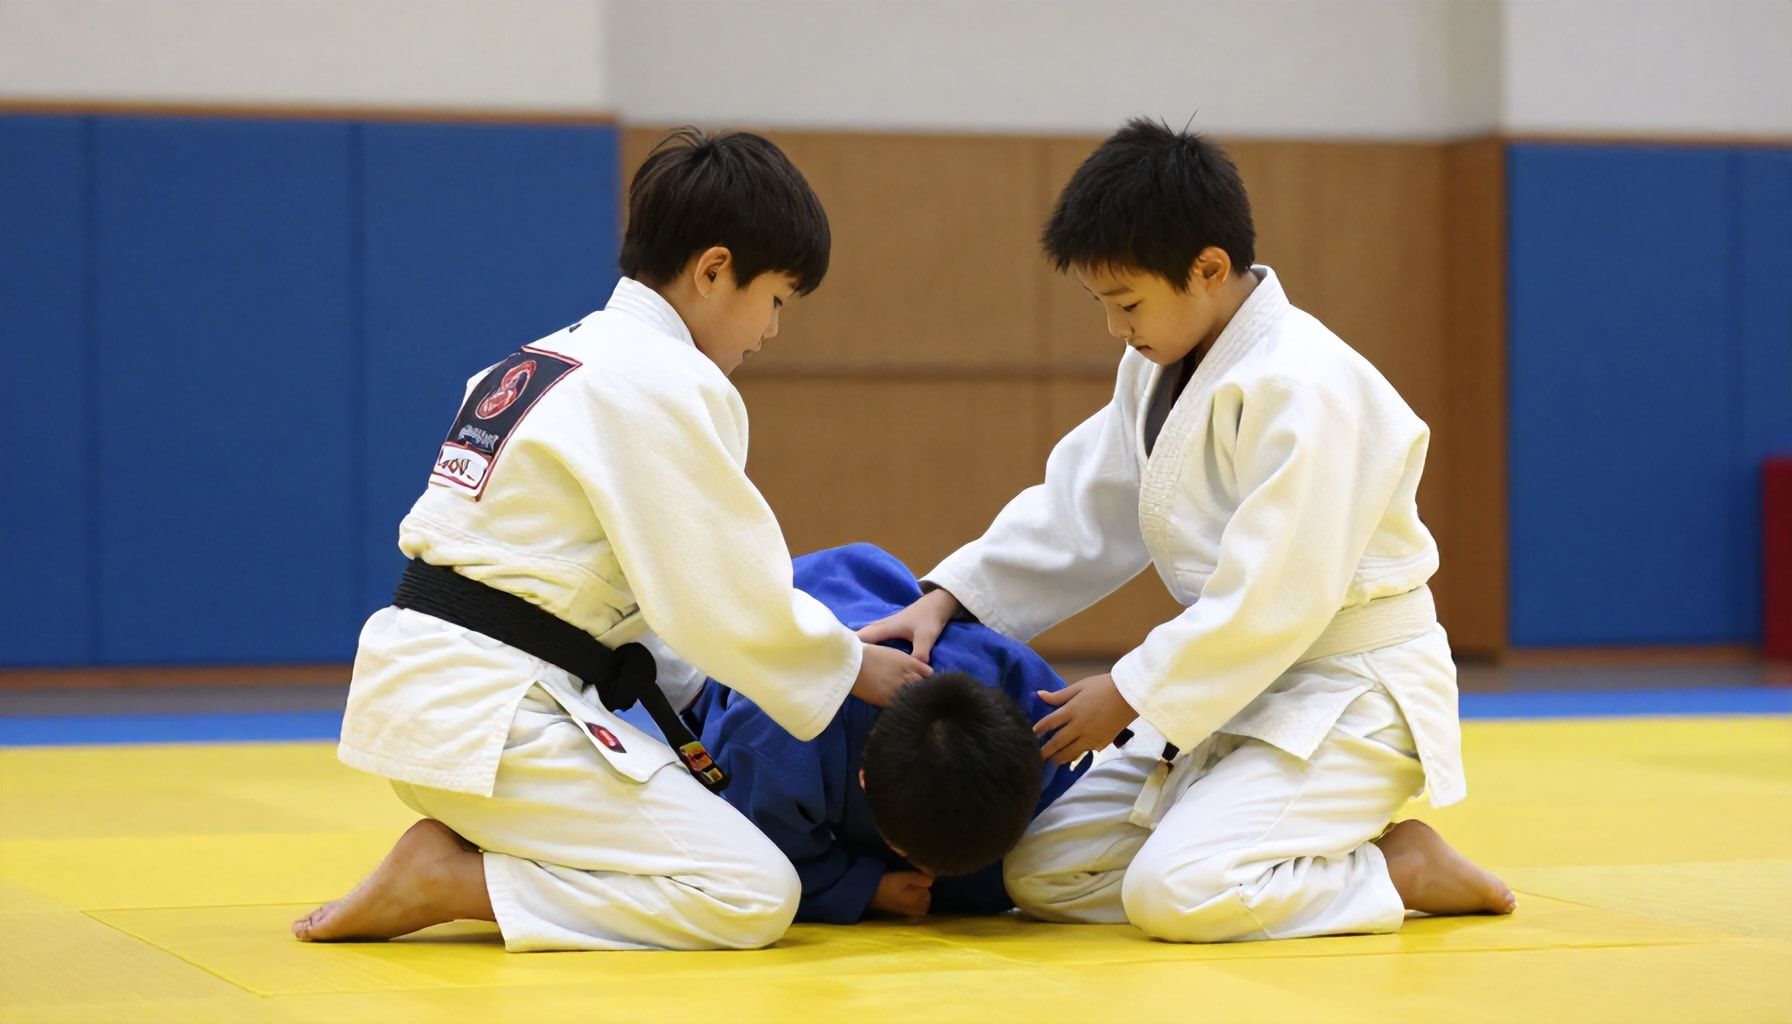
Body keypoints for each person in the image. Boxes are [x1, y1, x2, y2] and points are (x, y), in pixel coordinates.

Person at [861, 118, 1514, 944]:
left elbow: (1280, 594)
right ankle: (1266, 847)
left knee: (1179, 895)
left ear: (1207, 269)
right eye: (1102, 304)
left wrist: (1132, 690)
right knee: (1041, 870)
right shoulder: (1160, 367)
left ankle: (1394, 870)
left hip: (1348, 691)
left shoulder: (1304, 383)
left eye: (1126, 302)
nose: (1114, 329)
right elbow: (1081, 506)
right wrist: (947, 597)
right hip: (1234, 684)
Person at [293, 128, 930, 953]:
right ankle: (452, 880)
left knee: (704, 825)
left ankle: (476, 851)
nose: (771, 330)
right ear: (713, 270)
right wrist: (850, 664)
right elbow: (717, 594)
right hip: (498, 719)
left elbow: (631, 602)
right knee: (753, 892)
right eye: (774, 298)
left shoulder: (540, 361)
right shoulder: (662, 380)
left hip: (434, 700)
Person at [685, 543, 1083, 923]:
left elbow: (1058, 775)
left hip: (880, 602)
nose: (925, 869)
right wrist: (862, 888)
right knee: (775, 884)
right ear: (864, 778)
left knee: (993, 887)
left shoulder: (1017, 690)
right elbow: (763, 855)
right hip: (788, 622)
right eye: (907, 852)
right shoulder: (772, 743)